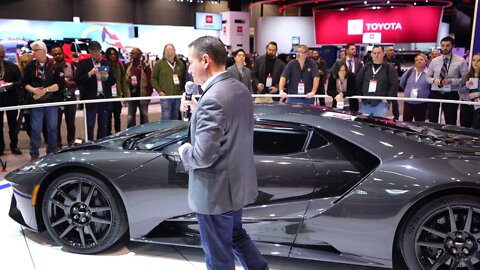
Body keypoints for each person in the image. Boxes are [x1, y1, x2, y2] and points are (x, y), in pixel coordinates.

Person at [178, 36, 269, 270]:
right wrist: (199, 111)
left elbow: (202, 156)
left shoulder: (213, 98)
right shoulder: (238, 89)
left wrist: (184, 150)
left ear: (205, 60)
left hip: (215, 192)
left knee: (218, 255)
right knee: (236, 235)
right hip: (236, 186)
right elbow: (230, 127)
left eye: (190, 61)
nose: (189, 68)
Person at [22, 40, 64, 161]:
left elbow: (59, 85)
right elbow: (24, 83)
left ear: (44, 51)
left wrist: (44, 90)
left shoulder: (55, 65)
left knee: (52, 128)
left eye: (36, 51)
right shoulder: (30, 66)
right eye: (33, 51)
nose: (34, 53)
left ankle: (52, 151)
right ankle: (34, 153)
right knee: (35, 128)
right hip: (36, 102)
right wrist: (34, 90)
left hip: (51, 102)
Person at [75, 41, 116, 141]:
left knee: (103, 124)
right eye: (94, 51)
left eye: (98, 51)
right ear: (90, 51)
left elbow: (113, 80)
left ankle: (100, 144)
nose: (97, 53)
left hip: (103, 98)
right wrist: (90, 73)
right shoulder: (83, 64)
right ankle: (89, 143)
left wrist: (106, 78)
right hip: (90, 98)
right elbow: (78, 79)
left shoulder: (106, 63)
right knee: (89, 124)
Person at [426, 36, 468, 125]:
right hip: (435, 93)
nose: (445, 48)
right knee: (432, 121)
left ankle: (450, 139)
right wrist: (434, 80)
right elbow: (427, 77)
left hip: (451, 93)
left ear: (453, 46)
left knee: (450, 121)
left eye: (447, 45)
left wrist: (451, 81)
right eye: (443, 45)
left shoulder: (461, 61)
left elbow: (465, 79)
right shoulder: (434, 61)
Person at [356, 45, 398, 118]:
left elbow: (394, 84)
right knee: (364, 125)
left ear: (383, 54)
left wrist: (388, 98)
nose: (376, 55)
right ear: (372, 54)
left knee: (378, 126)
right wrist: (359, 95)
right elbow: (358, 81)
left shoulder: (389, 68)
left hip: (381, 104)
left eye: (378, 53)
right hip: (365, 103)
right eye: (374, 53)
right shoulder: (366, 67)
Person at [151, 43, 186, 120]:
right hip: (165, 95)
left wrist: (182, 90)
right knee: (166, 116)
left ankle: (174, 132)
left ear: (175, 51)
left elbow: (183, 78)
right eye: (167, 51)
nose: (170, 53)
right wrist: (159, 91)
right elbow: (153, 79)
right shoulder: (159, 64)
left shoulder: (180, 64)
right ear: (164, 52)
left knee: (175, 116)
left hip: (177, 95)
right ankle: (165, 132)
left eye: (171, 51)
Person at [51, 44, 77, 148]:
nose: (57, 56)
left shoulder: (71, 66)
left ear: (63, 53)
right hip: (56, 98)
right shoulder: (51, 68)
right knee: (56, 123)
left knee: (71, 122)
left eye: (59, 53)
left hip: (70, 96)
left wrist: (72, 84)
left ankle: (71, 142)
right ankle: (57, 144)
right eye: (55, 54)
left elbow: (78, 80)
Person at [0, 44, 22, 155]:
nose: (0, 58)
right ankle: (0, 148)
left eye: (2, 55)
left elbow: (20, 81)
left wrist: (11, 85)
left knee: (13, 125)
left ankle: (14, 146)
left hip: (11, 99)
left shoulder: (13, 66)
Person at [125, 47, 153, 127]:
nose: (131, 55)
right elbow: (125, 80)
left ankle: (144, 134)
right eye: (131, 53)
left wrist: (148, 95)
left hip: (142, 94)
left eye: (133, 53)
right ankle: (130, 134)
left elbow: (149, 81)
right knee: (130, 117)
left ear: (139, 55)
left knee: (144, 116)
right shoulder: (128, 66)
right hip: (131, 95)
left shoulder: (145, 66)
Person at [332, 43, 363, 111]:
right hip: (339, 94)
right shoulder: (339, 62)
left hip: (353, 94)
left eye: (355, 49)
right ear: (347, 50)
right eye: (352, 49)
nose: (354, 50)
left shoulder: (359, 64)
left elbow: (361, 78)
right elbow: (333, 74)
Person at [399, 53, 430, 122]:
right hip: (408, 103)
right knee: (406, 123)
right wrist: (408, 91)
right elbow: (402, 83)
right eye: (417, 60)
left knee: (420, 124)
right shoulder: (409, 72)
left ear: (426, 61)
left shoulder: (429, 73)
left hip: (422, 104)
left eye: (421, 60)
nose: (419, 61)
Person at [105, 47, 128, 134]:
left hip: (117, 95)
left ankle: (118, 133)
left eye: (114, 54)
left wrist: (125, 95)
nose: (113, 56)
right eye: (111, 54)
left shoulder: (120, 66)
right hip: (108, 95)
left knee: (117, 116)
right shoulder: (104, 66)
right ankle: (108, 134)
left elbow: (123, 81)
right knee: (108, 117)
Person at [459, 53, 480, 128]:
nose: (475, 63)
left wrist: (478, 94)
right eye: (473, 60)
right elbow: (460, 90)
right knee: (464, 129)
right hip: (466, 105)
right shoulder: (467, 75)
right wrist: (466, 87)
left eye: (478, 60)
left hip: (478, 107)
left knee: (476, 130)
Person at [384, 46, 401, 120]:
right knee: (384, 101)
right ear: (386, 51)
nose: (392, 51)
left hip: (394, 84)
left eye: (393, 50)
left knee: (394, 102)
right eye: (390, 50)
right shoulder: (382, 60)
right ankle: (382, 116)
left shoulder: (396, 61)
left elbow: (399, 71)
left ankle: (396, 117)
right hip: (384, 84)